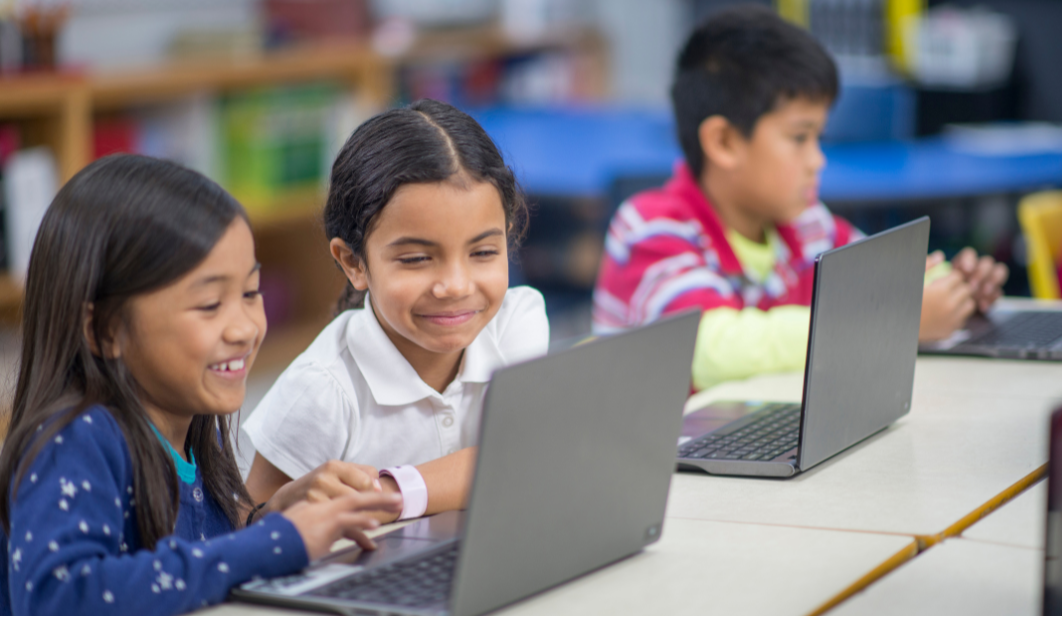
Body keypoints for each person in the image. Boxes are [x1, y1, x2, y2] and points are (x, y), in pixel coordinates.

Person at [0, 155, 402, 615]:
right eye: (210, 304)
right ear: (104, 329)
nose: (245, 329)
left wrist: (261, 521)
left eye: (251, 293)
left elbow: (184, 572)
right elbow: (60, 597)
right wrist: (274, 543)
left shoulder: (191, 425)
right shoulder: (75, 440)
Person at [592, 5, 1008, 390]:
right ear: (723, 142)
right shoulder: (649, 229)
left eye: (818, 137)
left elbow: (884, 282)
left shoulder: (807, 224)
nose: (817, 160)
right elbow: (710, 347)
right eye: (799, 137)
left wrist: (951, 291)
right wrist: (895, 322)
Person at [243, 100, 549, 525]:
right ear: (353, 262)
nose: (456, 286)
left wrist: (383, 495)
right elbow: (248, 521)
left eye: (482, 252)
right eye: (417, 259)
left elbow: (520, 455)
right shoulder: (321, 390)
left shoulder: (516, 321)